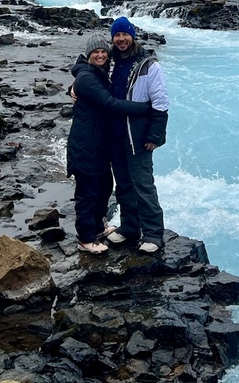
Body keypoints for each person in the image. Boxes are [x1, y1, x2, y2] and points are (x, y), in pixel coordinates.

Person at [67, 33, 153, 255]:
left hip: (99, 144)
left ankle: (97, 228)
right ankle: (85, 239)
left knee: (104, 187)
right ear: (88, 55)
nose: (100, 55)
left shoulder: (99, 73)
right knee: (87, 192)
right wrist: (144, 108)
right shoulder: (87, 77)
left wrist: (71, 89)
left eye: (103, 51)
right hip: (85, 144)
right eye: (95, 52)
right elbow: (109, 103)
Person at [104, 16, 169, 254]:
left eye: (125, 34)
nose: (121, 39)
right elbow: (85, 65)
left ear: (132, 36)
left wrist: (155, 136)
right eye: (117, 35)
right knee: (123, 185)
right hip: (115, 135)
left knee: (143, 185)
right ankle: (130, 228)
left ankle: (153, 234)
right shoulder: (109, 62)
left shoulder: (149, 66)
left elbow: (161, 104)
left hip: (138, 137)